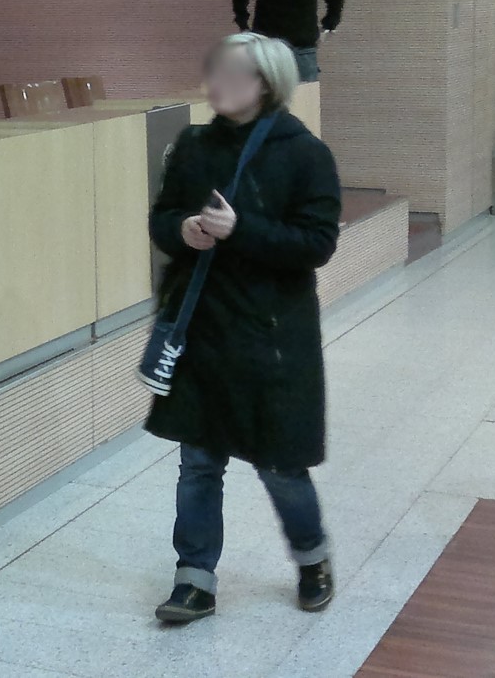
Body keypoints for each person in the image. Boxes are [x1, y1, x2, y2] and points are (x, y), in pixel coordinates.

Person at [144, 31, 342, 623]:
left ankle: (312, 557)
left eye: (231, 73)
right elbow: (162, 217)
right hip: (203, 327)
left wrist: (241, 231)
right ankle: (194, 579)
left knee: (279, 464)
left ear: (265, 83)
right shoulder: (193, 145)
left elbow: (317, 243)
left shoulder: (304, 154)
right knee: (199, 461)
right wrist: (182, 230)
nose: (216, 82)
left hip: (270, 336)